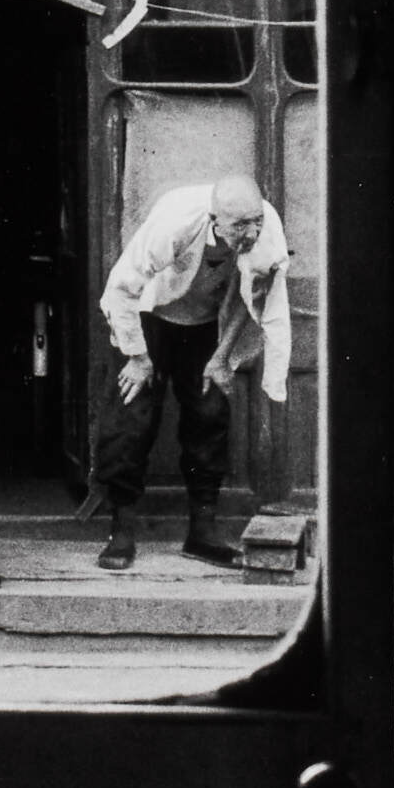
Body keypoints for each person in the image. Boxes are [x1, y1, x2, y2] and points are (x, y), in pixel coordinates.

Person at [89, 173, 292, 570]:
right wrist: (138, 356)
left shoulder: (263, 228)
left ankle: (202, 532)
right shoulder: (177, 222)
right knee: (132, 417)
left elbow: (249, 297)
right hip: (149, 317)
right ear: (216, 219)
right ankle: (122, 532)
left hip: (203, 326)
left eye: (255, 222)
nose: (250, 233)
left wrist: (220, 356)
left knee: (210, 414)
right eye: (239, 226)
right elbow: (121, 287)